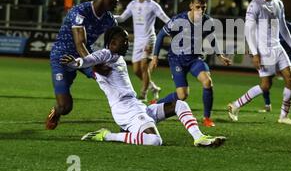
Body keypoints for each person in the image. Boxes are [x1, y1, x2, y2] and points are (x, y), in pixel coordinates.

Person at [60, 26, 226, 147]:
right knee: (154, 141)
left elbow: (93, 65)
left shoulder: (116, 57)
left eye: (127, 40)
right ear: (111, 43)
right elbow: (90, 59)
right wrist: (77, 62)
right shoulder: (107, 54)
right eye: (123, 41)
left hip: (137, 106)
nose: (126, 43)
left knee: (180, 104)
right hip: (126, 110)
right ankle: (107, 135)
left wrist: (81, 64)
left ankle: (199, 138)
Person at [227, 0, 291, 125]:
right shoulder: (255, 4)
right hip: (263, 49)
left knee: (290, 78)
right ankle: (235, 105)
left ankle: (283, 116)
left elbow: (283, 28)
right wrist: (255, 53)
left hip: (278, 47)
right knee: (265, 85)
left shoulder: (278, 4)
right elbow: (248, 31)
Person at [46, 0, 119, 130]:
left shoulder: (109, 18)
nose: (117, 0)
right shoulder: (80, 12)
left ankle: (126, 119)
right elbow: (80, 44)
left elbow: (115, 42)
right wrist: (97, 64)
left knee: (112, 78)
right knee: (65, 107)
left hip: (85, 56)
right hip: (63, 57)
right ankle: (56, 112)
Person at [150, 0, 232, 127]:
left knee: (207, 82)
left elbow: (211, 39)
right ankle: (156, 105)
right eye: (198, 7)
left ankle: (206, 118)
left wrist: (220, 55)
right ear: (191, 7)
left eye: (203, 8)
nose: (200, 11)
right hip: (177, 60)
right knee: (182, 95)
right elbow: (160, 36)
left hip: (195, 59)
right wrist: (155, 57)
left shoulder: (207, 21)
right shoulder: (179, 20)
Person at [115, 0, 170, 101]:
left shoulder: (153, 5)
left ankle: (143, 94)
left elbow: (165, 18)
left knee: (144, 65)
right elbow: (122, 18)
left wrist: (177, 25)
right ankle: (153, 87)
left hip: (149, 39)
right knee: (136, 70)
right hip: (138, 40)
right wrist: (110, 17)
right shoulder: (133, 4)